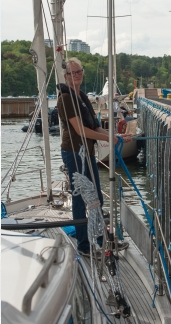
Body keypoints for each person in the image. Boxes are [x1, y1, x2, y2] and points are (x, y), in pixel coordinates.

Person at [57, 57, 132, 256]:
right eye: (72, 73)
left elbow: (94, 126)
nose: (77, 75)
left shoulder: (81, 96)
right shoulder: (65, 98)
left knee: (96, 196)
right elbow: (80, 130)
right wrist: (109, 139)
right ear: (66, 76)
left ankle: (101, 240)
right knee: (81, 199)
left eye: (79, 71)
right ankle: (84, 245)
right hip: (74, 152)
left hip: (87, 152)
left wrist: (114, 136)